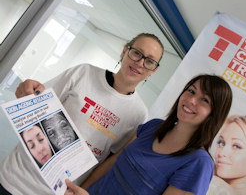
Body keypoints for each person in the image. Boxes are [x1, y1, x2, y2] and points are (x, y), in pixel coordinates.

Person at [0, 33, 164, 195]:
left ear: (153, 71)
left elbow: (106, 164)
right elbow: (35, 102)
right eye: (136, 53)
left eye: (149, 61)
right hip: (12, 178)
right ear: (124, 52)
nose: (140, 63)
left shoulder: (138, 114)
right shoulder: (84, 73)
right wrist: (28, 90)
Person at [64, 74, 233, 195]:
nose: (191, 100)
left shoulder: (198, 163)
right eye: (191, 91)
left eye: (205, 100)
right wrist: (79, 189)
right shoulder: (153, 127)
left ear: (214, 114)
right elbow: (110, 165)